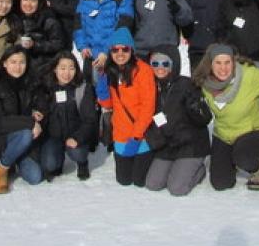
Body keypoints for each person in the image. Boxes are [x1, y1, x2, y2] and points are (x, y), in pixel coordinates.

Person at [193, 43, 259, 191]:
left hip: (254, 132)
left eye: (227, 62)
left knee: (243, 155)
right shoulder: (205, 83)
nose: (223, 68)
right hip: (224, 134)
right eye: (218, 63)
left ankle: (257, 167)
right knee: (221, 183)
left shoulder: (249, 76)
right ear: (210, 64)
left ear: (234, 62)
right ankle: (234, 158)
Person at [0, 46, 47, 193]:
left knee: (35, 177)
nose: (18, 67)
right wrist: (30, 122)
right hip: (0, 139)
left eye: (22, 62)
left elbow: (42, 100)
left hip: (23, 141)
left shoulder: (31, 81)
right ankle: (1, 168)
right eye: (13, 62)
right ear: (4, 63)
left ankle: (16, 158)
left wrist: (39, 111)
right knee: (26, 133)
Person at [144, 44, 212, 196]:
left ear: (173, 65)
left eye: (165, 63)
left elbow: (205, 118)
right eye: (155, 63)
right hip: (167, 144)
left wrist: (195, 105)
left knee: (177, 189)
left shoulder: (186, 85)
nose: (159, 67)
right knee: (152, 184)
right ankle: (178, 168)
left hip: (190, 146)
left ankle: (198, 171)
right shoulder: (150, 86)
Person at [96, 28, 156, 187]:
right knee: (124, 180)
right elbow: (108, 105)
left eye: (125, 49)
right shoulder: (111, 71)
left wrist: (136, 136)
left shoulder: (143, 70)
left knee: (139, 181)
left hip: (140, 135)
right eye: (115, 49)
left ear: (132, 50)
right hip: (121, 134)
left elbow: (147, 107)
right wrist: (102, 85)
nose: (120, 53)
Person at [74, 0, 134, 82]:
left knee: (110, 94)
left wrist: (107, 51)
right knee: (90, 93)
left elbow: (123, 26)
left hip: (113, 56)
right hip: (89, 56)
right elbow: (78, 22)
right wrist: (82, 45)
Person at [40, 52, 98, 181]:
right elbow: (42, 114)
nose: (67, 73)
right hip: (53, 136)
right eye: (62, 68)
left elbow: (90, 119)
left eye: (71, 68)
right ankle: (58, 160)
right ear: (55, 69)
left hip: (75, 134)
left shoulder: (82, 88)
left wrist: (77, 138)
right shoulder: (46, 88)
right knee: (49, 164)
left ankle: (82, 163)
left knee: (78, 152)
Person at [17, 0, 65, 80]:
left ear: (40, 2)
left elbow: (58, 44)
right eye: (25, 0)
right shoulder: (17, 19)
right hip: (20, 69)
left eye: (33, 0)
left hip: (43, 70)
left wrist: (35, 45)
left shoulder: (49, 20)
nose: (28, 4)